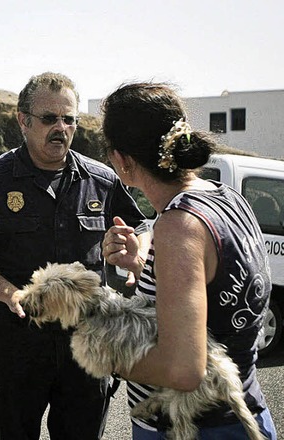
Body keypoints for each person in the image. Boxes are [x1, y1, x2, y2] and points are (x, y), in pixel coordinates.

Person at [0, 72, 150, 440]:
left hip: (86, 337)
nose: (61, 127)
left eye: (69, 119)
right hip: (19, 337)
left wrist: (137, 249)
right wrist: (8, 292)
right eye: (49, 118)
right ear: (23, 120)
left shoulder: (101, 180)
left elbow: (141, 227)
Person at [100, 82, 277, 439]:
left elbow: (183, 370)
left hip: (194, 429)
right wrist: (144, 262)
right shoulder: (225, 197)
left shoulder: (178, 227)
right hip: (241, 415)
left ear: (121, 161)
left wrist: (102, 353)